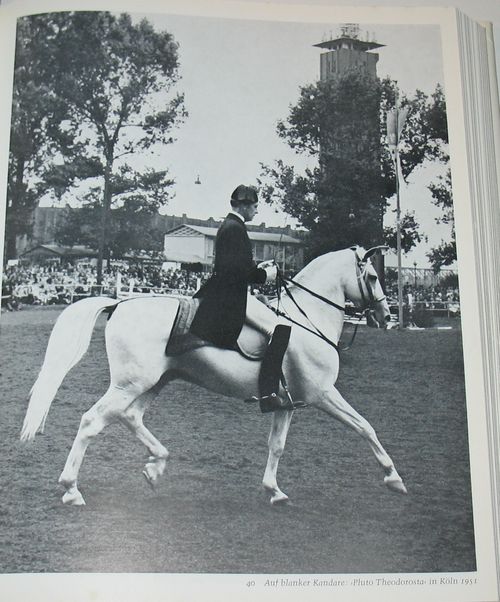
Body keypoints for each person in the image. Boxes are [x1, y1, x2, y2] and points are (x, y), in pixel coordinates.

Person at [190, 184, 300, 412]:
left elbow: (238, 264)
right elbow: (236, 272)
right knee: (279, 329)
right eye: (255, 206)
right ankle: (268, 393)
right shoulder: (235, 229)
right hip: (230, 297)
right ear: (245, 206)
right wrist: (265, 275)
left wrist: (259, 267)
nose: (257, 211)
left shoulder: (231, 226)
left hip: (228, 292)